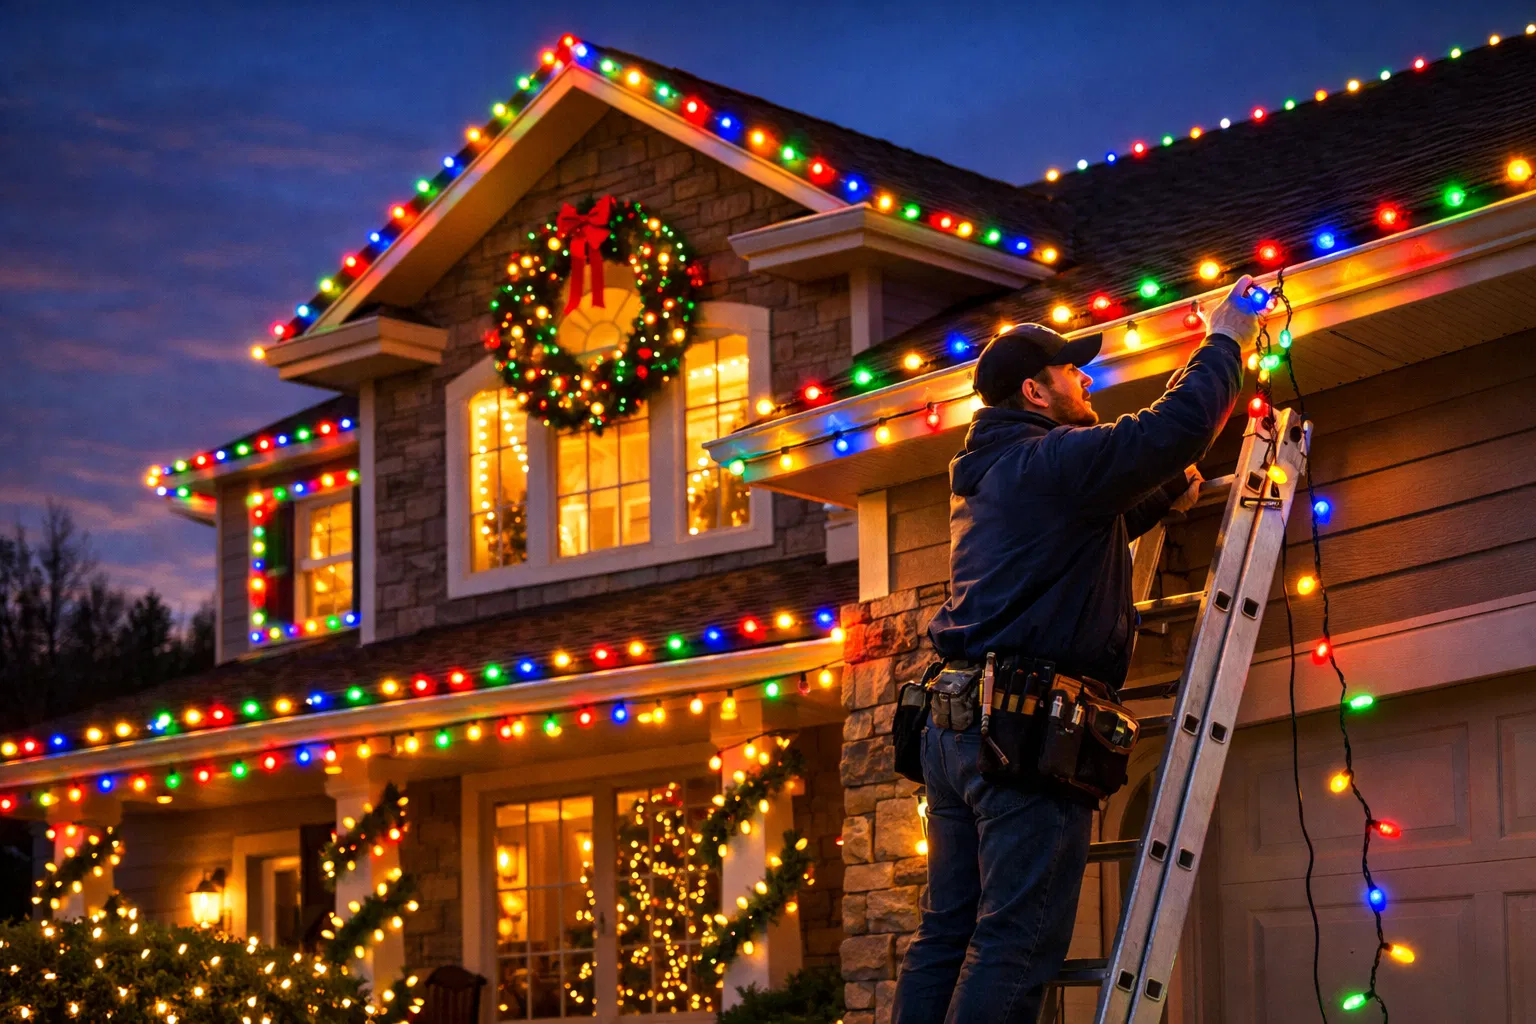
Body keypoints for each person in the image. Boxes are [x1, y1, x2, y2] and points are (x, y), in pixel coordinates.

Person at [891, 275, 1260, 1023]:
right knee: (1016, 944)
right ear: (1035, 391)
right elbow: (1170, 428)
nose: (1086, 378)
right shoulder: (1052, 459)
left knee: (947, 934)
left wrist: (1155, 500)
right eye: (1072, 371)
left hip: (955, 727)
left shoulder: (993, 475)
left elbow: (1057, 551)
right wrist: (1225, 337)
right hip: (1020, 733)